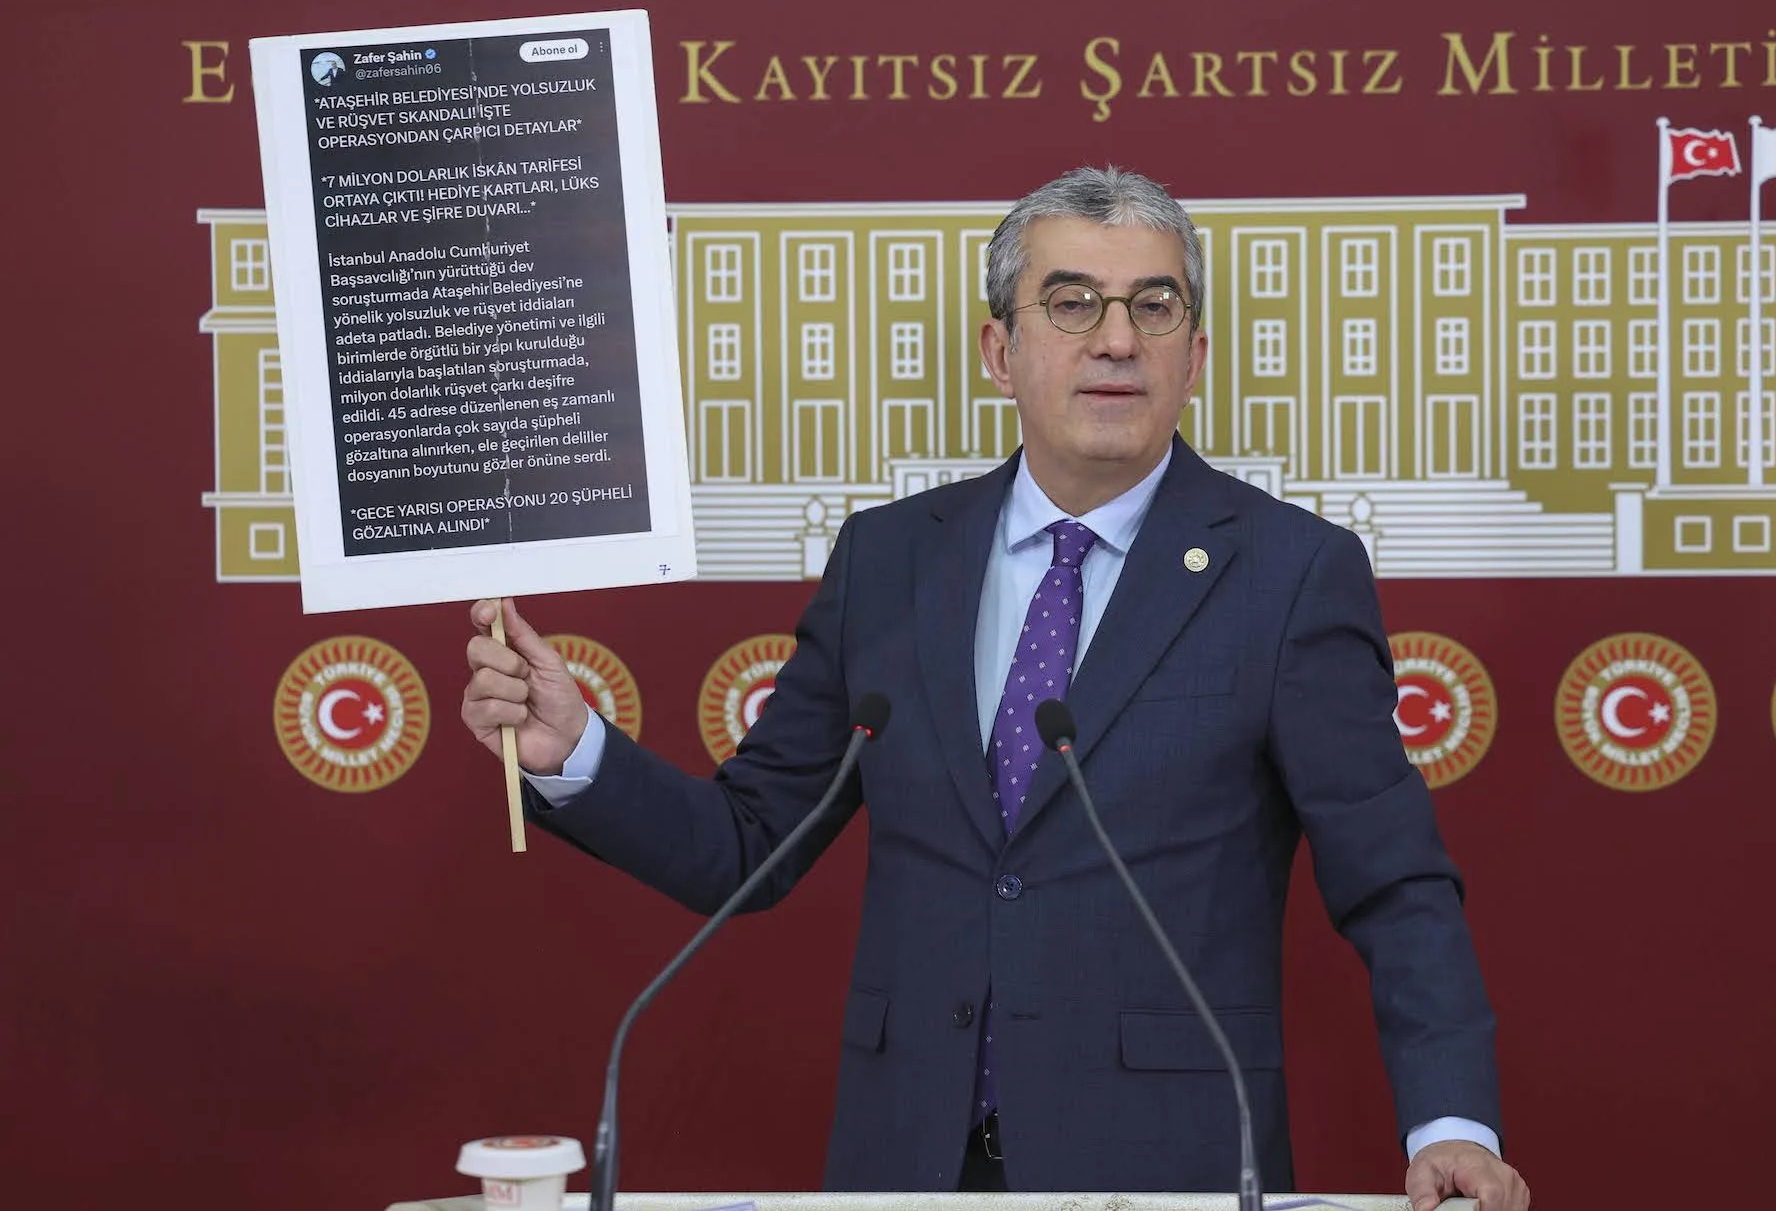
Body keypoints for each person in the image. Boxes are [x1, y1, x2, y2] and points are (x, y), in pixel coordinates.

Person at [462, 165, 1529, 1211]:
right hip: (908, 1163)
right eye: (1072, 303)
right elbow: (749, 842)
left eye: (1153, 306)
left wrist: (1453, 1126)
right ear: (999, 351)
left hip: (1167, 1169)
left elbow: (1396, 883)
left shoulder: (1289, 574)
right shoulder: (890, 561)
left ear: (1195, 356)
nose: (1117, 339)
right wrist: (574, 750)